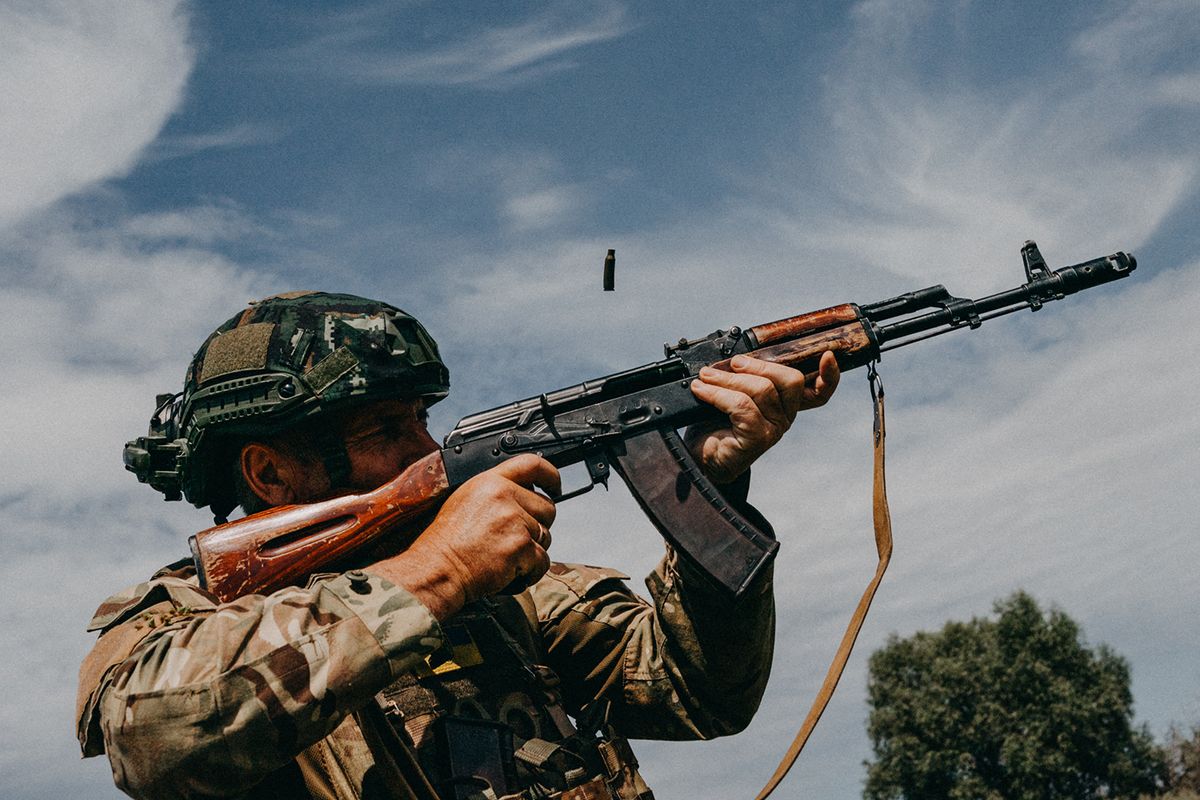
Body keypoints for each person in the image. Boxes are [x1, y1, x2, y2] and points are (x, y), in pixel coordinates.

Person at [76, 292, 839, 800]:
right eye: (385, 431)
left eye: (421, 419)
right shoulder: (178, 618)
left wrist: (713, 490)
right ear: (268, 472)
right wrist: (435, 574)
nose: (427, 448)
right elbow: (152, 736)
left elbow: (701, 694)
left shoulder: (518, 599)